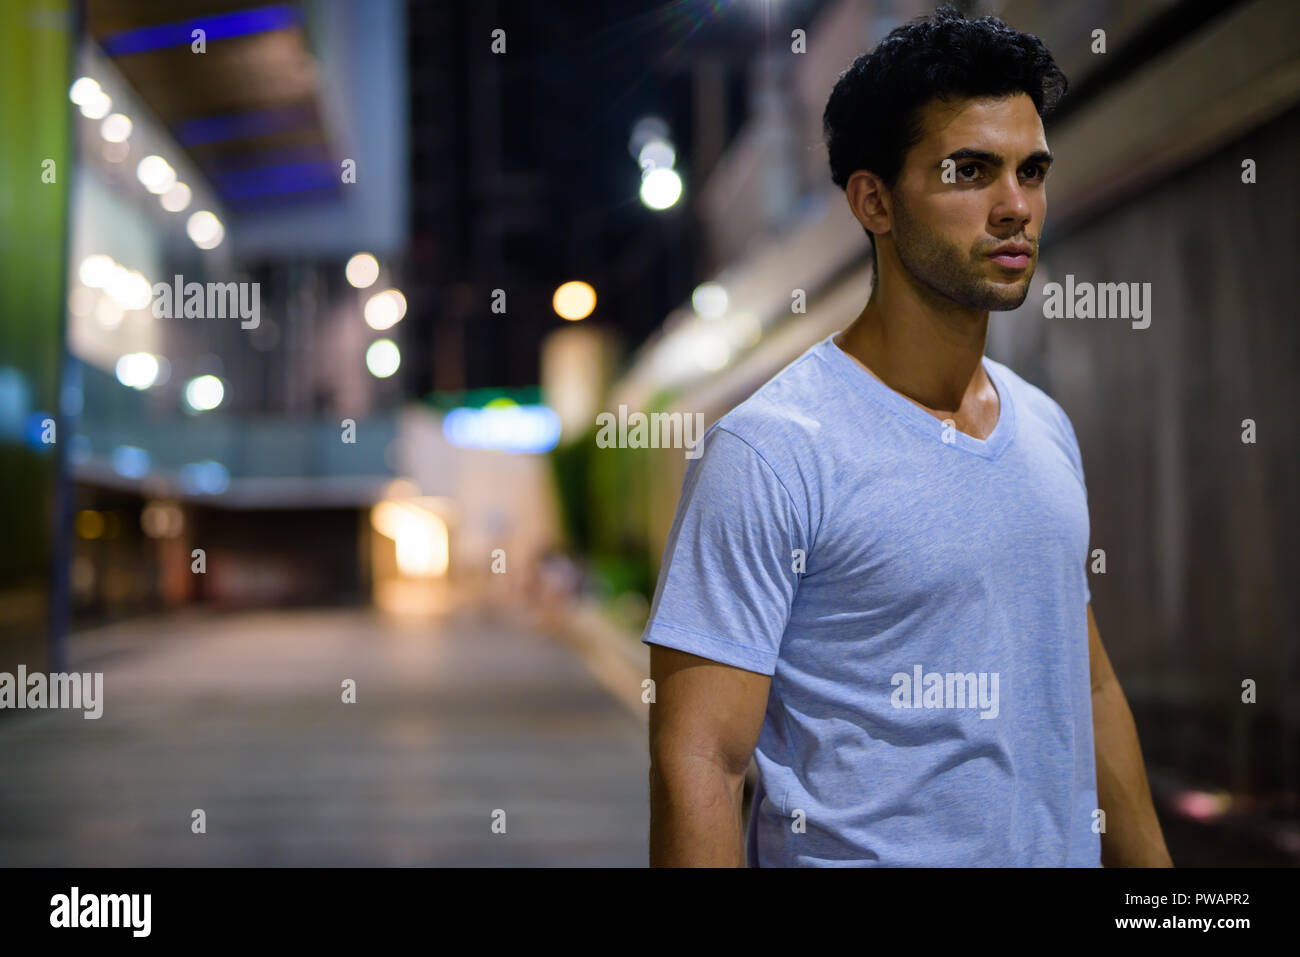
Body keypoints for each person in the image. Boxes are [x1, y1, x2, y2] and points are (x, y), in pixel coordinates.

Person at [644, 6, 1173, 868]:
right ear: (874, 200)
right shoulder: (772, 451)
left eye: (1030, 171)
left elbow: (1088, 683)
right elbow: (699, 758)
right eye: (970, 171)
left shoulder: (1044, 427)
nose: (1014, 207)